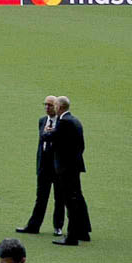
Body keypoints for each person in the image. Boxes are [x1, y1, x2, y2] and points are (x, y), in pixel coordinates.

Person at [16, 98, 62, 237]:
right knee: (40, 198)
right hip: (44, 166)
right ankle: (34, 226)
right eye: (46, 105)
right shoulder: (42, 121)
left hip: (57, 167)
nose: (47, 108)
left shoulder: (62, 123)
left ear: (57, 107)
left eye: (50, 105)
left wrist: (52, 134)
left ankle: (58, 227)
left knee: (59, 199)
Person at [50, 96, 89, 246]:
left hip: (66, 168)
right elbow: (81, 146)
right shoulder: (75, 121)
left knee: (70, 201)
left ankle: (72, 236)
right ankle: (83, 232)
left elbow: (52, 138)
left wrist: (46, 133)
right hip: (75, 166)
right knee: (77, 198)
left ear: (60, 107)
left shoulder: (63, 122)